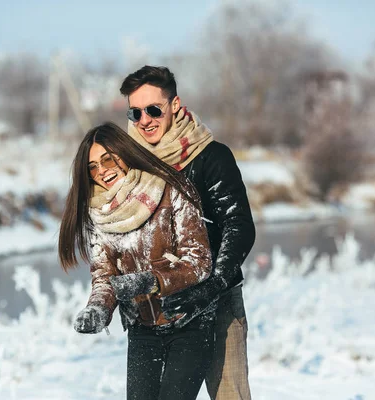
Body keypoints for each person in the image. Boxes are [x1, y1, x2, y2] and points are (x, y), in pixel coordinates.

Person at [120, 66, 256, 400]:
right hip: (155, 305)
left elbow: (239, 226)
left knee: (230, 396)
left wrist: (212, 286)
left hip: (217, 300)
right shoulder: (129, 162)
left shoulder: (211, 156)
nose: (145, 120)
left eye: (154, 109)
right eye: (135, 112)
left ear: (175, 105)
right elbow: (123, 231)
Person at [58, 122, 215, 400]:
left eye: (107, 158)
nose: (102, 170)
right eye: (92, 166)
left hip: (190, 321)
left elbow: (199, 260)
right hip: (143, 329)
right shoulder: (99, 213)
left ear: (124, 152)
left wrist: (150, 281)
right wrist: (98, 309)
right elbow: (104, 276)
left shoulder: (170, 188)